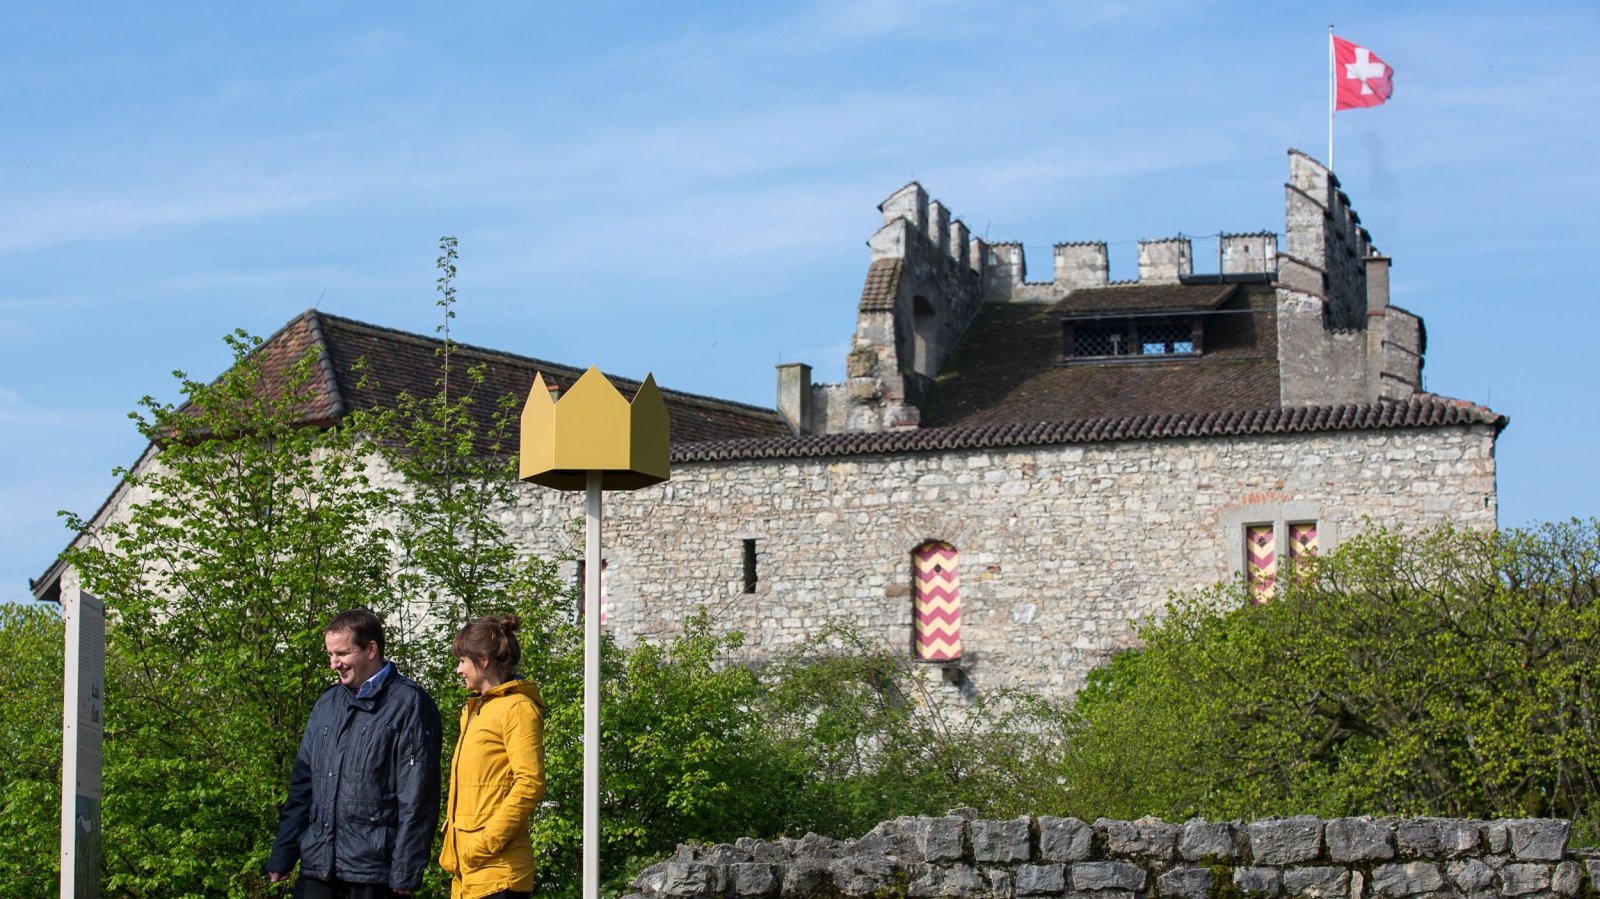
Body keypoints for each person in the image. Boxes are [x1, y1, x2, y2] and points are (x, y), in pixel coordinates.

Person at [267, 609, 443, 898]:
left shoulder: (409, 705)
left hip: (375, 874)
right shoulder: (327, 704)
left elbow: (418, 797)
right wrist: (283, 853)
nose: (333, 663)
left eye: (342, 654)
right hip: (318, 867)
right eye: (330, 654)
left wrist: (406, 870)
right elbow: (302, 787)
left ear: (371, 649)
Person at [439, 613, 547, 899]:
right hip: (469, 875)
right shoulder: (475, 710)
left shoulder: (518, 708)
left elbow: (530, 784)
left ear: (483, 661)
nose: (458, 670)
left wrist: (486, 842)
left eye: (463, 661)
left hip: (500, 873)